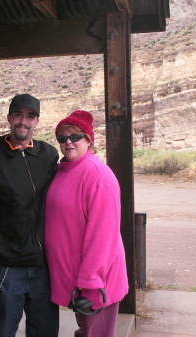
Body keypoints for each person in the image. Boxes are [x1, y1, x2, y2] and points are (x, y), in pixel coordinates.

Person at [0, 93, 60, 337]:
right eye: (18, 115)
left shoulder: (49, 155)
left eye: (30, 116)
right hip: (7, 266)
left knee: (45, 332)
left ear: (37, 122)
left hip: (44, 265)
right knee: (4, 331)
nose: (23, 121)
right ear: (9, 118)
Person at [45, 110, 129, 337]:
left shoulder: (97, 175)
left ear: (89, 140)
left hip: (94, 282)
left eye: (75, 136)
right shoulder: (64, 170)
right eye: (62, 138)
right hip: (77, 280)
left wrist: (91, 282)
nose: (68, 142)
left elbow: (104, 236)